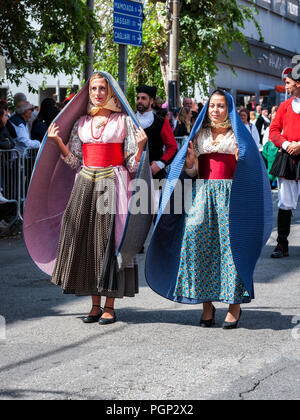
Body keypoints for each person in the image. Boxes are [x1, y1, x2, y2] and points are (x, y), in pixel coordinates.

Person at [27, 72, 150, 325]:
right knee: (87, 244)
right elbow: (74, 161)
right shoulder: (81, 123)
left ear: (111, 92)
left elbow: (132, 165)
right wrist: (57, 142)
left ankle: (109, 306)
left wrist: (139, 147)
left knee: (110, 243)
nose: (97, 93)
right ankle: (95, 305)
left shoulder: (123, 121)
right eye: (93, 89)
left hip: (113, 184)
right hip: (85, 183)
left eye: (102, 89)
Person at [145, 89, 273, 329]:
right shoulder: (200, 135)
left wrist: (240, 160)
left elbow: (252, 173)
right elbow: (192, 173)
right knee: (195, 243)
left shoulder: (239, 135)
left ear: (229, 109)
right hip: (202, 195)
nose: (216, 110)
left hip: (231, 197)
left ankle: (234, 306)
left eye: (221, 106)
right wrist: (191, 164)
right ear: (207, 108)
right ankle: (207, 305)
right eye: (212, 106)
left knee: (230, 248)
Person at [269, 71, 300, 258]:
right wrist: (287, 144)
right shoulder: (285, 106)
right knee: (285, 202)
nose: (286, 86)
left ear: (298, 83)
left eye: (288, 83)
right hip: (288, 158)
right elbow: (273, 131)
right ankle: (282, 243)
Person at [136, 85, 177, 180]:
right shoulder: (129, 119)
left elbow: (172, 147)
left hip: (155, 176)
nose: (139, 101)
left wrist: (160, 164)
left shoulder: (162, 122)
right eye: (138, 98)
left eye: (143, 98)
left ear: (151, 101)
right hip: (132, 175)